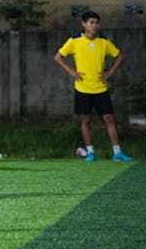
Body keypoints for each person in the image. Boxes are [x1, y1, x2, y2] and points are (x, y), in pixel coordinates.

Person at [53, 10, 133, 162]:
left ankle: (117, 152)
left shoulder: (104, 41)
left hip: (100, 87)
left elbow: (120, 56)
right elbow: (58, 57)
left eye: (96, 23)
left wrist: (109, 72)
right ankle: (90, 152)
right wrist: (72, 71)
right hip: (82, 88)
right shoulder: (74, 41)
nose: (94, 26)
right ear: (84, 24)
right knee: (86, 120)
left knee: (109, 118)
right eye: (91, 23)